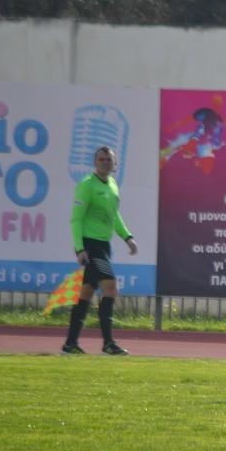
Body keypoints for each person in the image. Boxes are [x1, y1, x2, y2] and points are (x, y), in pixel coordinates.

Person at [62, 146, 139, 355]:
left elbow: (114, 216)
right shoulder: (87, 185)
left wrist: (127, 237)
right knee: (111, 288)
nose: (105, 162)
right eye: (101, 159)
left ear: (115, 164)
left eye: (108, 160)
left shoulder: (113, 185)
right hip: (91, 246)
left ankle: (70, 344)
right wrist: (80, 249)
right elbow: (76, 219)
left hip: (104, 246)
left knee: (86, 293)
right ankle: (108, 344)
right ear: (95, 163)